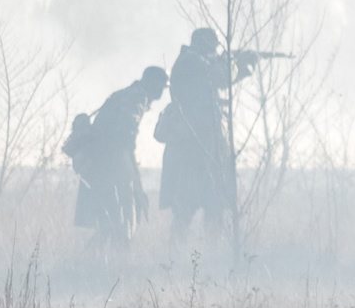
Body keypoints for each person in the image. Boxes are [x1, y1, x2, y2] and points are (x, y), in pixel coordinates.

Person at [157, 28, 258, 244]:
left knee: (214, 207)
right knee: (187, 206)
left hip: (204, 145)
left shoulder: (194, 62)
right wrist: (233, 63)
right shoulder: (192, 62)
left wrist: (241, 68)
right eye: (214, 48)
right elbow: (220, 77)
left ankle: (212, 256)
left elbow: (217, 81)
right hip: (195, 146)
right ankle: (177, 260)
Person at [66, 66, 169, 254]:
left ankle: (93, 260)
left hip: (100, 160)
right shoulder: (137, 98)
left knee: (111, 219)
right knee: (122, 215)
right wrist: (132, 171)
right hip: (110, 161)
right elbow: (127, 134)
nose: (162, 93)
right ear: (153, 83)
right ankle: (116, 260)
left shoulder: (123, 94)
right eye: (161, 87)